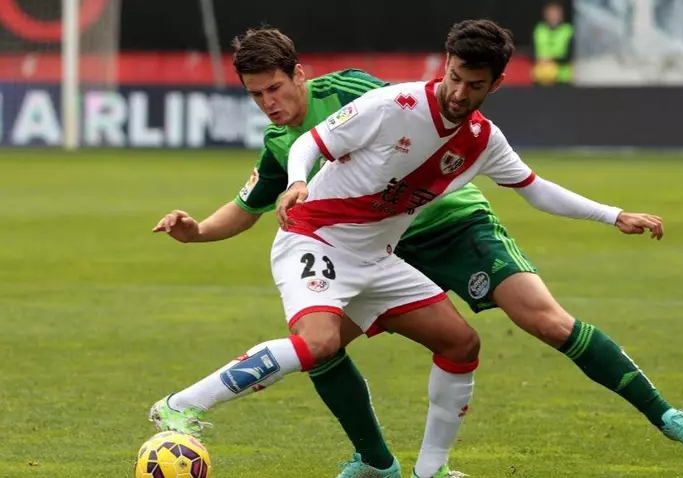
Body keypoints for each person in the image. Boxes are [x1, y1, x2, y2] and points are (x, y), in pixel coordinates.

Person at [150, 28, 479, 478]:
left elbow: (419, 116)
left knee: (460, 342)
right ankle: (183, 405)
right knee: (320, 344)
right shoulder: (279, 142)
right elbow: (246, 208)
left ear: (299, 75)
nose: (268, 103)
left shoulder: (350, 90)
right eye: (256, 95)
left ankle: (410, 469)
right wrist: (197, 231)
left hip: (380, 248)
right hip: (319, 245)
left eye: (274, 88)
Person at [533, 2, 574, 84]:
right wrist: (540, 59)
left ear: (561, 15)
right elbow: (532, 50)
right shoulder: (539, 30)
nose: (553, 17)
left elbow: (571, 55)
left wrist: (551, 60)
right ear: (545, 15)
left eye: (555, 14)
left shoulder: (568, 30)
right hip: (541, 76)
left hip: (561, 78)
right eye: (550, 14)